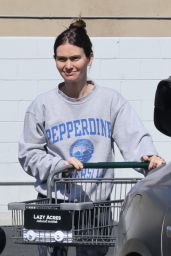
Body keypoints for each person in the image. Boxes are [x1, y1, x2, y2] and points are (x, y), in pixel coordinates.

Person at [18, 19, 165, 256]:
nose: (68, 65)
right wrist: (58, 166)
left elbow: (134, 137)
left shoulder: (110, 101)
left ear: (90, 58)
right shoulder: (42, 105)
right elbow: (28, 153)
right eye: (61, 59)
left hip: (95, 205)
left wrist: (148, 157)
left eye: (75, 58)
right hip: (54, 201)